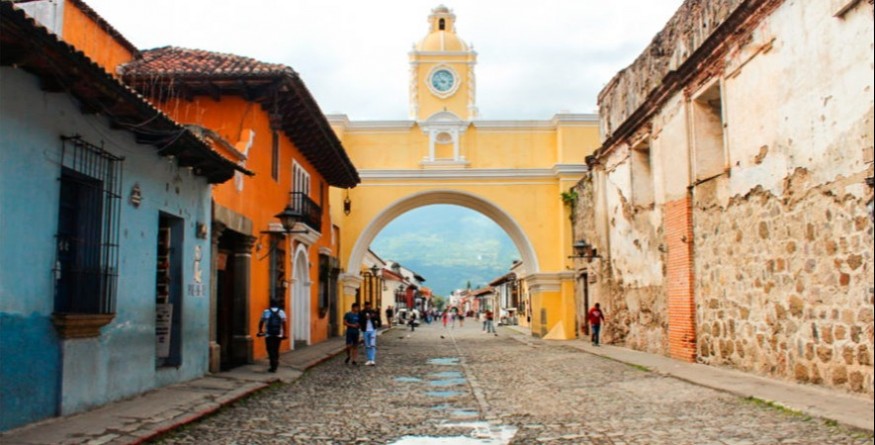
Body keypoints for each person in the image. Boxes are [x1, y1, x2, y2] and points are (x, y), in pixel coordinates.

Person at [257, 300, 287, 373]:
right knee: (276, 349)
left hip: (268, 334)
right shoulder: (281, 312)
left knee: (270, 349)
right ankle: (275, 362)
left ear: (270, 304)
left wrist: (260, 331)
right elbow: (284, 324)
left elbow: (261, 322)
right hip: (278, 334)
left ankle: (273, 364)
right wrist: (284, 334)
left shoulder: (266, 311)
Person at [360, 301, 378, 366]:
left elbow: (377, 318)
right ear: (364, 306)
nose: (367, 306)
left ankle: (372, 360)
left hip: (373, 330)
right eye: (366, 305)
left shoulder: (373, 311)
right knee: (367, 346)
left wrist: (372, 316)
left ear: (370, 305)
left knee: (372, 345)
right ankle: (369, 359)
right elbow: (360, 321)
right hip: (365, 330)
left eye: (369, 305)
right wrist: (365, 318)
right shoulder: (362, 312)